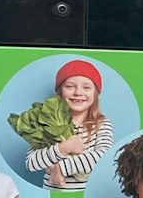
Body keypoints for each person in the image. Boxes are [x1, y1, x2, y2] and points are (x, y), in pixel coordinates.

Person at [22, 59, 114, 191]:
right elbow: (31, 163)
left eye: (86, 87)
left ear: (95, 94)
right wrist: (63, 148)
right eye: (70, 86)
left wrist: (61, 167)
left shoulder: (101, 124)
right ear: (60, 92)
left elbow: (104, 157)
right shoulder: (46, 124)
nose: (78, 92)